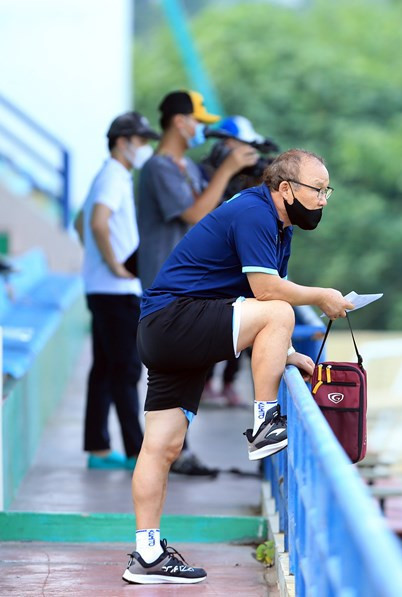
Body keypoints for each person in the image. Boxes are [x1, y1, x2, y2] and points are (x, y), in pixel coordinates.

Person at [122, 149, 355, 584]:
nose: (324, 199)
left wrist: (284, 353)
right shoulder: (255, 211)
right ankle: (266, 422)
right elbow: (266, 293)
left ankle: (147, 554)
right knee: (280, 311)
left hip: (172, 330)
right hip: (176, 319)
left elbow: (251, 308)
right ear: (285, 189)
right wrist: (322, 295)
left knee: (163, 446)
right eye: (317, 190)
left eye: (328, 191)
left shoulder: (278, 228)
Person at [137, 90, 259, 476]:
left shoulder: (185, 167)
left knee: (188, 372)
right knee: (166, 376)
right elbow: (194, 213)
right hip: (165, 291)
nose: (201, 130)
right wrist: (226, 169)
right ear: (179, 121)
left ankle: (176, 452)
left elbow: (215, 209)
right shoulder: (158, 167)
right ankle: (169, 453)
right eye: (197, 122)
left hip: (191, 288)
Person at [74, 112, 159, 470]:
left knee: (107, 368)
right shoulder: (113, 175)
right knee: (125, 369)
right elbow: (95, 222)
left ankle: (98, 447)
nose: (144, 148)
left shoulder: (111, 175)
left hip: (106, 287)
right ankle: (136, 450)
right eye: (141, 141)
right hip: (116, 289)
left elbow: (80, 222)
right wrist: (113, 265)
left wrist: (98, 263)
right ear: (123, 141)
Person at [198, 115, 278, 407]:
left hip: (241, 270)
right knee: (216, 328)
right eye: (239, 146)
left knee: (250, 324)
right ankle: (206, 382)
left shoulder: (244, 180)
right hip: (213, 272)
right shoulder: (203, 175)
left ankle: (229, 383)